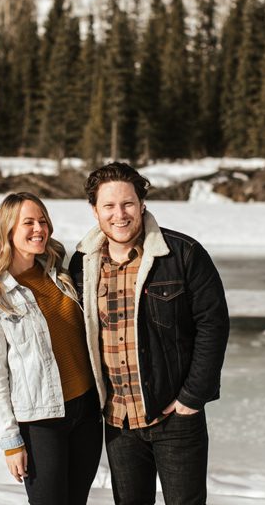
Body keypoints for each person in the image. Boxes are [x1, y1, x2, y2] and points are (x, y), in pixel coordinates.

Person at [69, 162, 230, 505]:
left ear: (142, 204)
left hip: (174, 416)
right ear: (94, 210)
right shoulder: (82, 263)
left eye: (127, 203)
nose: (119, 214)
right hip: (118, 422)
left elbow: (213, 325)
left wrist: (191, 398)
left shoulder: (182, 253)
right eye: (108, 206)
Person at [0, 192, 102, 505]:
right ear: (7, 230)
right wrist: (10, 441)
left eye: (43, 221)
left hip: (85, 412)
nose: (39, 229)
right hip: (42, 422)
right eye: (28, 222)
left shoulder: (60, 277)